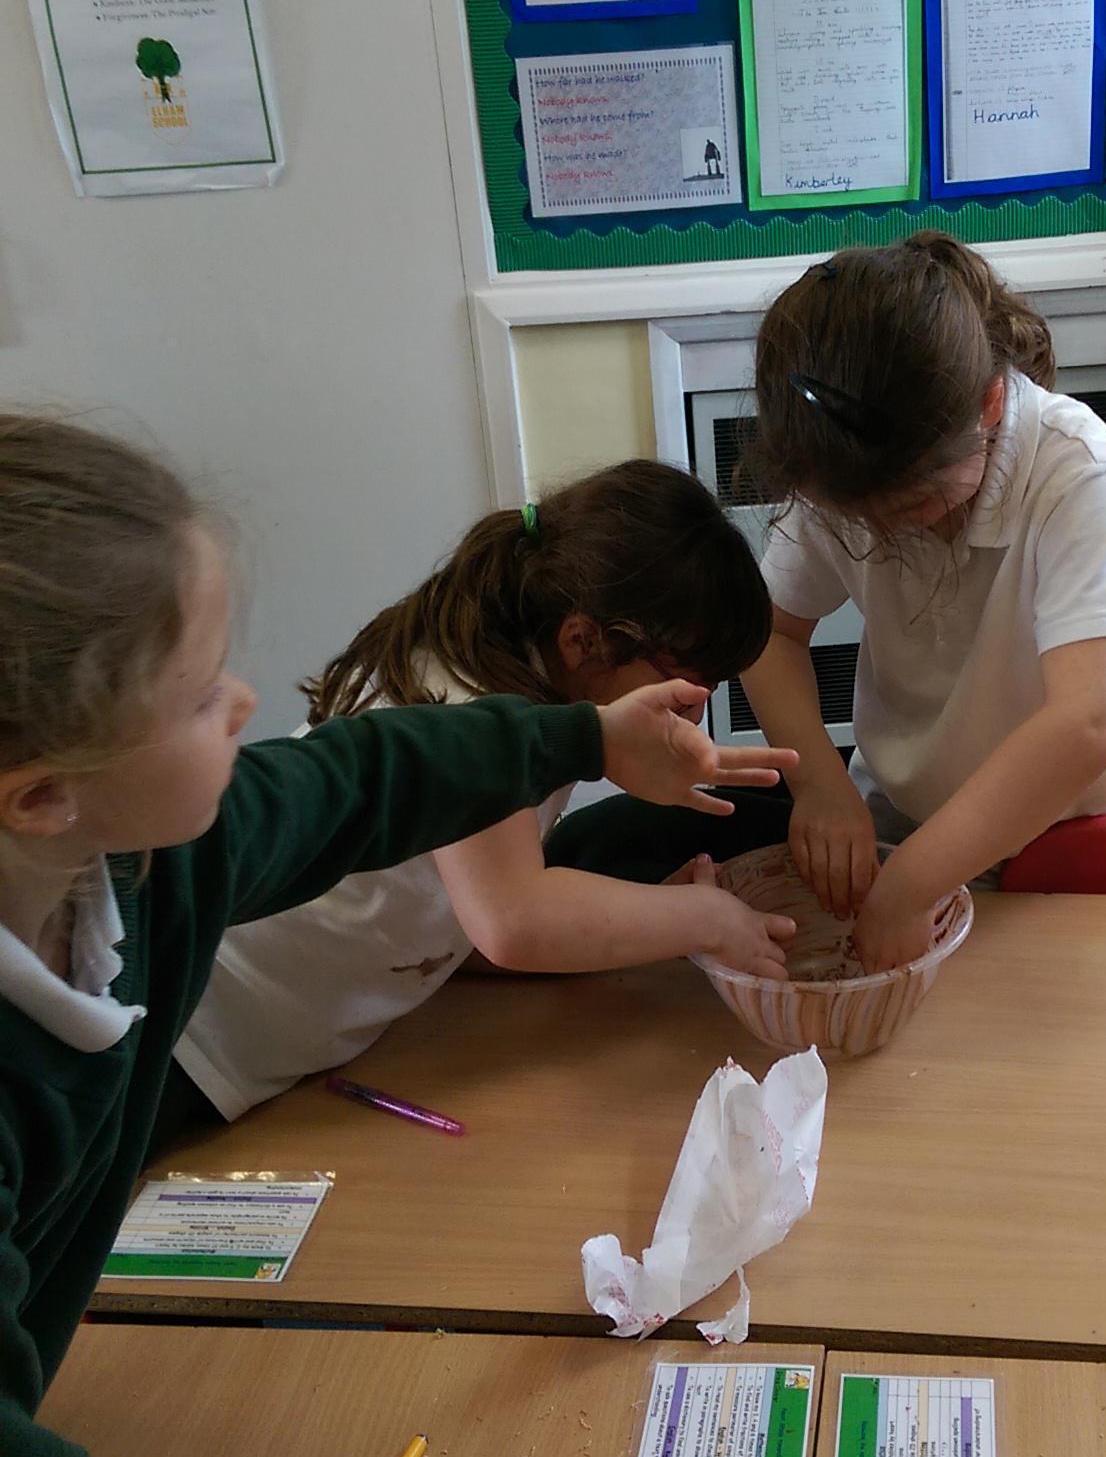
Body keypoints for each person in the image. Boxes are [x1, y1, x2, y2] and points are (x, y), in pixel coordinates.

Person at [0, 416, 792, 1457]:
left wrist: (585, 738)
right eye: (203, 694)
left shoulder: (147, 861)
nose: (247, 700)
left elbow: (366, 780)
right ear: (45, 794)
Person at [168, 461, 794, 1135]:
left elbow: (473, 919)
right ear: (582, 641)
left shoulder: (540, 685)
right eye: (686, 688)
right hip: (198, 1034)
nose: (693, 716)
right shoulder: (470, 700)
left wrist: (651, 925)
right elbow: (513, 921)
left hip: (277, 1045)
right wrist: (706, 917)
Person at [739, 231, 1106, 971]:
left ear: (991, 402)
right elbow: (769, 632)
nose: (882, 531)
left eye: (911, 505)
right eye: (854, 516)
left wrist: (913, 884)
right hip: (902, 811)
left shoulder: (1076, 470)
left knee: (1048, 1010)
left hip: (1062, 827)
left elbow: (1086, 723)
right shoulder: (838, 458)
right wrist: (820, 784)